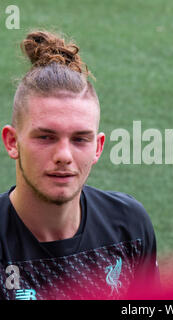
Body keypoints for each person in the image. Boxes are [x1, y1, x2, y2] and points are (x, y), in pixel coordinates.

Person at [0, 30, 160, 300]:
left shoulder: (128, 227)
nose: (64, 155)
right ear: (12, 142)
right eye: (46, 137)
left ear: (98, 147)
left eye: (80, 139)